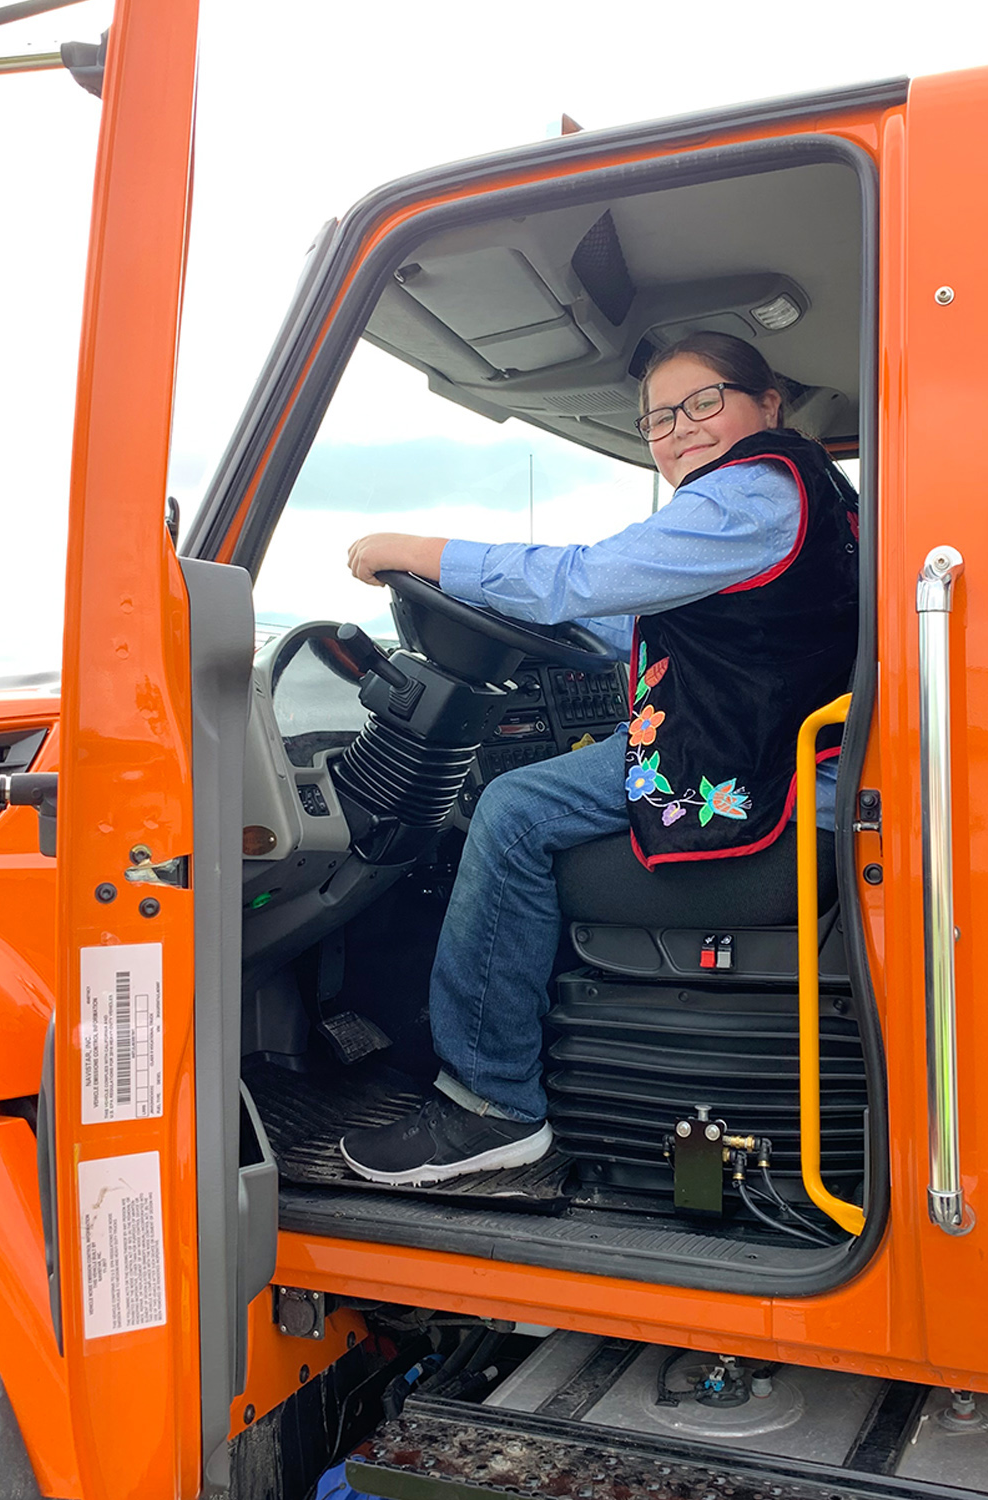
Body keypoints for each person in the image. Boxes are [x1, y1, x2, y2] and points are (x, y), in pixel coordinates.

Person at [334, 331, 858, 1185]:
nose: (679, 429)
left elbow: (580, 578)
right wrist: (545, 615)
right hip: (775, 750)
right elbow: (629, 618)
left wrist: (417, 552)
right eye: (658, 417)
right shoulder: (791, 497)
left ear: (768, 405)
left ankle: (490, 1105)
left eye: (703, 402)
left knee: (508, 811)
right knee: (530, 796)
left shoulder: (751, 494)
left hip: (775, 778)